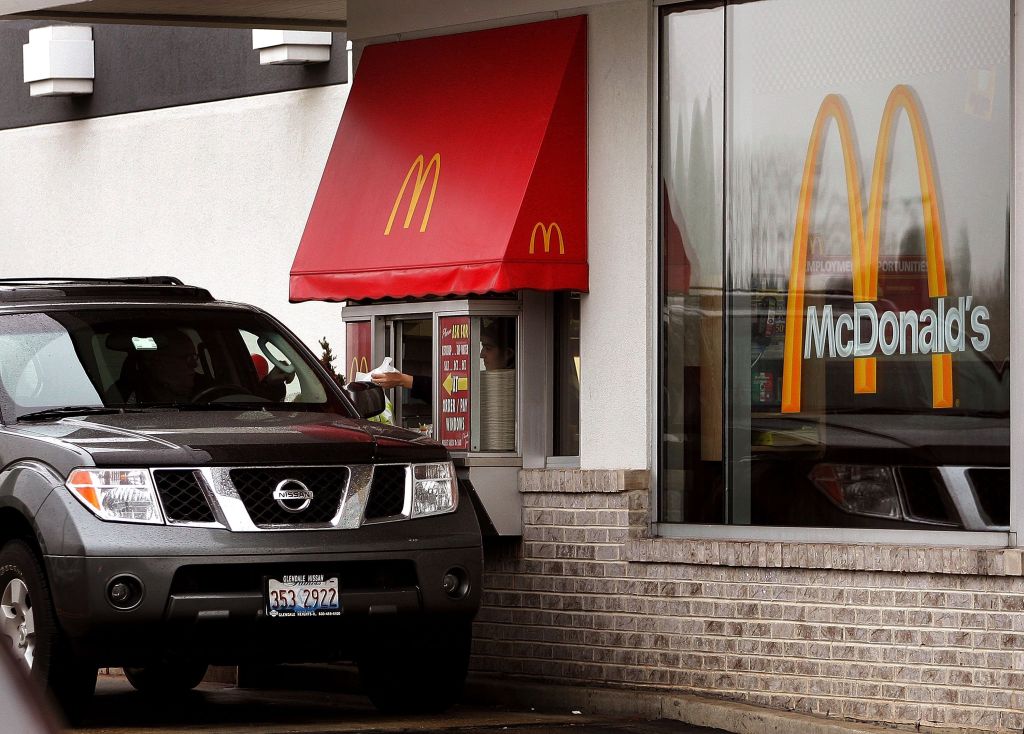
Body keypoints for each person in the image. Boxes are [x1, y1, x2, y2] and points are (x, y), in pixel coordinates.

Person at [134, 329, 200, 403]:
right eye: (188, 358)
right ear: (157, 362)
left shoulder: (203, 386)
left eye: (194, 357)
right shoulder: (130, 396)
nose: (195, 365)